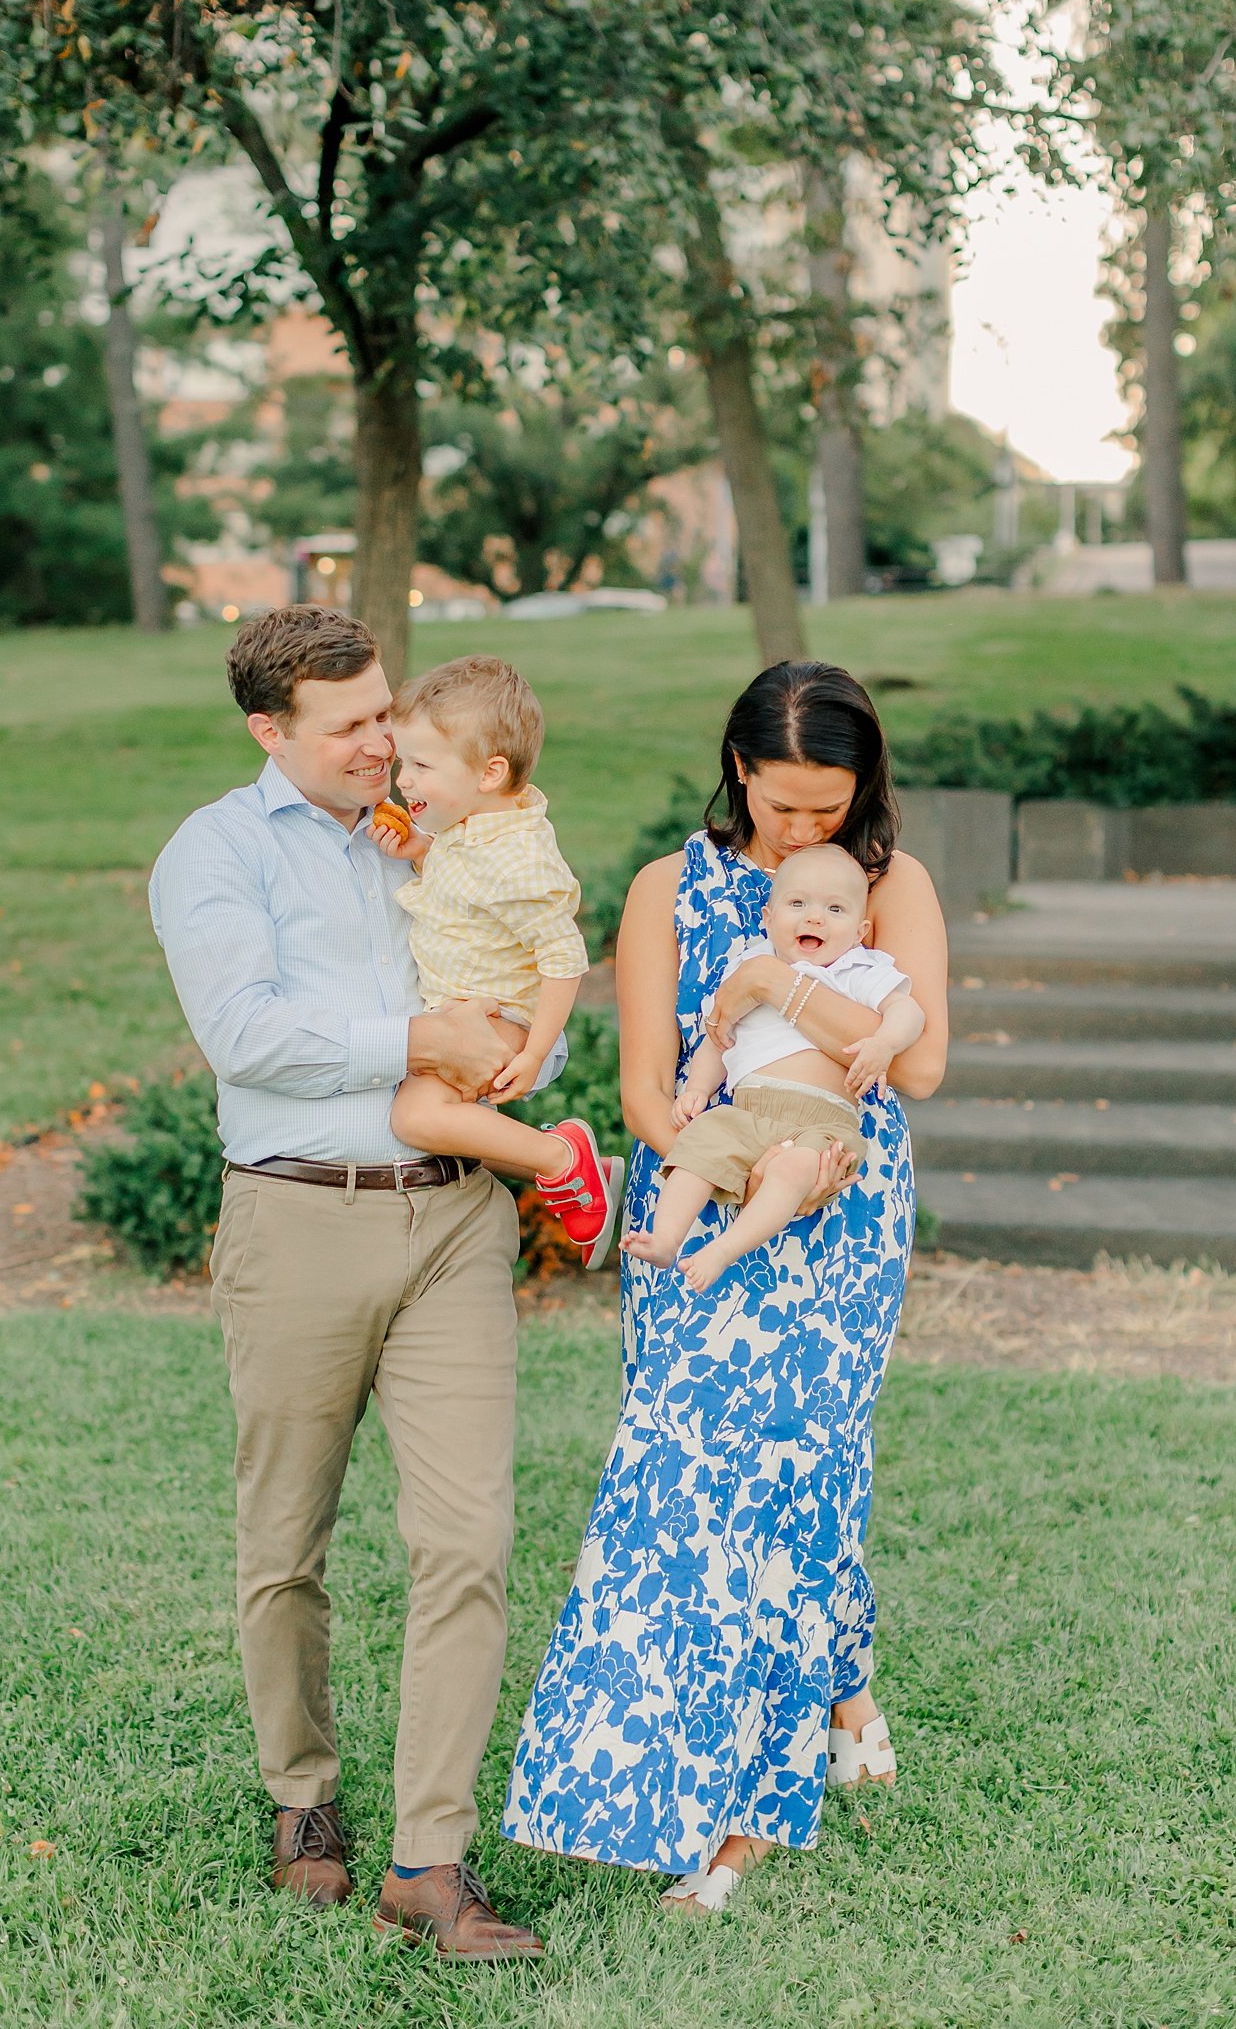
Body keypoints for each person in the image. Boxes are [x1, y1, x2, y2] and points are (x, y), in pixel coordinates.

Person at [503, 661, 948, 1913]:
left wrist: (773, 986)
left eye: (832, 806)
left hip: (845, 1208)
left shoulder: (891, 882)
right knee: (685, 1472)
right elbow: (648, 1088)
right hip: (703, 1192)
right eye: (786, 805)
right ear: (741, 767)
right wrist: (721, 1130)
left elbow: (920, 1065)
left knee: (802, 1469)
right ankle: (827, 1708)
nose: (806, 833)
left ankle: (740, 1810)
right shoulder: (666, 886)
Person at [148, 604, 548, 1961]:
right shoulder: (214, 853)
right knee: (287, 1544)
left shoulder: (435, 827)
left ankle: (431, 1859)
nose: (384, 741)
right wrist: (413, 1034)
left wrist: (507, 1051)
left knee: (468, 1541)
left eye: (386, 710)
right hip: (297, 1220)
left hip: (455, 1222)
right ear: (272, 730)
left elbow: (506, 977)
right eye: (352, 725)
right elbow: (247, 1034)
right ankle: (303, 1800)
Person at [375, 655, 623, 1269]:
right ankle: (578, 1172)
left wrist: (534, 1050)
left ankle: (563, 1160)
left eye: (422, 765)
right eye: (406, 761)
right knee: (436, 1120)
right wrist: (420, 852)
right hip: (474, 1013)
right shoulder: (472, 827)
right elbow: (469, 900)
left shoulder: (520, 860)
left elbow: (565, 959)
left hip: (503, 1020)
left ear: (490, 772)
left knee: (417, 1115)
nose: (404, 779)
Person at [622, 844, 925, 1292]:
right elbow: (719, 1038)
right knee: (699, 1147)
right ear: (767, 915)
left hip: (823, 1119)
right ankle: (667, 1238)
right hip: (748, 1108)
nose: (814, 918)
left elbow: (909, 1011)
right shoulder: (747, 967)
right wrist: (698, 1090)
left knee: (795, 1171)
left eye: (834, 908)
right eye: (797, 903)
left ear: (861, 930)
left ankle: (724, 1249)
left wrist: (885, 1042)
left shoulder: (859, 969)